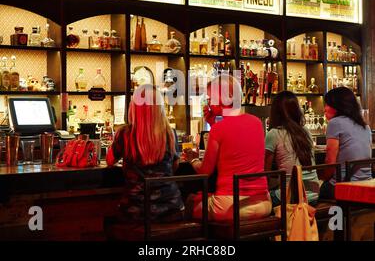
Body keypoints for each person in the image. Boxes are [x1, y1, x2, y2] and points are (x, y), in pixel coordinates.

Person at [185, 74, 272, 221]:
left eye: (211, 97)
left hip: (232, 206)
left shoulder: (219, 129)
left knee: (189, 202)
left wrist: (192, 160)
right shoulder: (257, 122)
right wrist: (213, 124)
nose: (208, 102)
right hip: (263, 203)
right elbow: (232, 141)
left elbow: (205, 171)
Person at [106, 84, 184, 221]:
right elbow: (174, 166)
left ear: (134, 107)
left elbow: (109, 160)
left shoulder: (125, 134)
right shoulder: (169, 133)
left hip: (136, 211)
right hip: (171, 210)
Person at [264, 91, 320, 206]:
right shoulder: (306, 131)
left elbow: (266, 172)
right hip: (314, 196)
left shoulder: (274, 134)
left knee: (259, 200)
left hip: (292, 198)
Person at [320, 87, 372, 199]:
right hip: (366, 183)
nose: (324, 109)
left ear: (337, 106)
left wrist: (322, 179)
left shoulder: (335, 123)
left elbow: (330, 162)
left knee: (311, 191)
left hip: (345, 185)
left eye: (327, 104)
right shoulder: (365, 126)